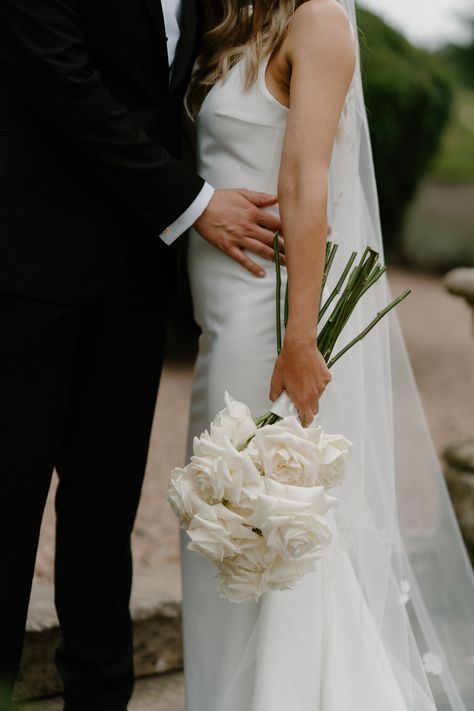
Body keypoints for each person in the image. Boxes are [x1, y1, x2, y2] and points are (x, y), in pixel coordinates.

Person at [181, 1, 474, 710]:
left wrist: (300, 336)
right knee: (229, 527)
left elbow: (308, 180)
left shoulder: (317, 20)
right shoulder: (241, 26)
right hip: (221, 321)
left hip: (268, 320)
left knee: (270, 524)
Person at [0, 1, 283, 709]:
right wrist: (192, 202)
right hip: (27, 275)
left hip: (133, 285)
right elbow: (63, 85)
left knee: (104, 519)